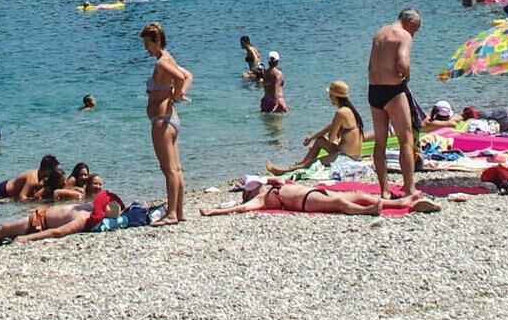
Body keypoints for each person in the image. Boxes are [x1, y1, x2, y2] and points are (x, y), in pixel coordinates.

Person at [0, 176, 127, 248]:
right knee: (5, 230)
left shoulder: (84, 218)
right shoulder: (87, 208)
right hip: (39, 216)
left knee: (4, 228)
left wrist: (25, 239)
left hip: (38, 223)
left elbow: (58, 232)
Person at [367, 12, 425, 205]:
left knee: (380, 142)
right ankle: (409, 188)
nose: (414, 35)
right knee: (405, 140)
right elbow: (402, 60)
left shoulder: (379, 32)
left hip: (374, 90)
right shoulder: (403, 35)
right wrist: (405, 75)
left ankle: (384, 190)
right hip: (392, 90)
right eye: (415, 30)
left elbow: (370, 64)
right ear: (409, 22)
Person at [142, 22, 191, 224]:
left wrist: (177, 93)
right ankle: (178, 212)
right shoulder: (168, 58)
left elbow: (181, 78)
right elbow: (189, 76)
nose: (145, 48)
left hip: (162, 121)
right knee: (176, 168)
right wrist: (178, 94)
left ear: (157, 41)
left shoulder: (162, 62)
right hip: (171, 119)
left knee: (169, 168)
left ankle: (171, 213)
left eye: (147, 44)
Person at [267, 81, 366, 174]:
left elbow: (331, 139)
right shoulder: (350, 111)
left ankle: (283, 171)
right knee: (319, 140)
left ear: (335, 96)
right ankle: (301, 163)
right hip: (354, 155)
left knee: (312, 163)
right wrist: (312, 137)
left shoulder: (340, 113)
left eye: (330, 95)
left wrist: (334, 138)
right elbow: (329, 127)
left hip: (345, 158)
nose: (329, 98)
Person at [201, 176, 400, 217]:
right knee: (340, 202)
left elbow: (272, 178)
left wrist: (267, 180)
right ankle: (369, 211)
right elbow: (241, 208)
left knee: (358, 194)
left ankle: (399, 202)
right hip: (306, 201)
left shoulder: (272, 185)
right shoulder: (260, 199)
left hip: (312, 191)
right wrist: (215, 211)